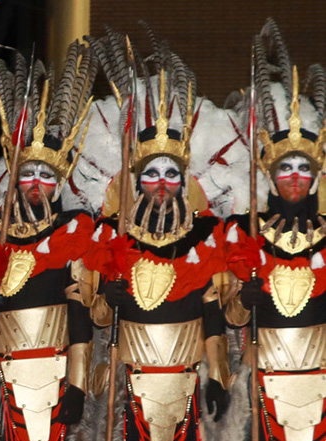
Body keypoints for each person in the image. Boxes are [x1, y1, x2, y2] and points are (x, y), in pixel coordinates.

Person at [84, 32, 231, 440]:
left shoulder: (205, 235)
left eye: (171, 173)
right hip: (128, 379)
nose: (161, 183)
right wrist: (103, 300)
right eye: (151, 173)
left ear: (184, 181)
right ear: (136, 181)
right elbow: (95, 317)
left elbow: (214, 311)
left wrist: (218, 374)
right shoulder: (111, 236)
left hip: (188, 380)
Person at [0, 43, 97, 441]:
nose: (36, 184)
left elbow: (80, 318)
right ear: (15, 178)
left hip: (57, 370)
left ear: (59, 183)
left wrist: (78, 383)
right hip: (4, 372)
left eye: (46, 176)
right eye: (29, 175)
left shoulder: (73, 231)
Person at [222, 19, 326, 441]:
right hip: (263, 371)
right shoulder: (246, 233)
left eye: (305, 167)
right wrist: (243, 302)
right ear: (270, 174)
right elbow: (227, 312)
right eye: (286, 167)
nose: (296, 177)